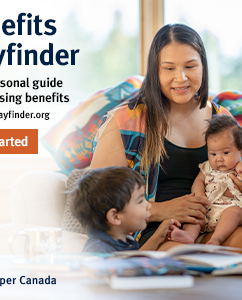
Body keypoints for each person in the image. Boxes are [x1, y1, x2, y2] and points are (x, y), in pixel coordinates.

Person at [90, 23, 242, 250]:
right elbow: (95, 203)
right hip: (157, 232)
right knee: (186, 255)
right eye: (169, 68)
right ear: (155, 71)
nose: (180, 78)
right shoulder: (126, 121)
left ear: (203, 66)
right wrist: (160, 210)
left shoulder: (223, 120)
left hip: (217, 223)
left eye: (190, 66)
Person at [70, 166, 181, 253]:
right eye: (140, 201)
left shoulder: (124, 240)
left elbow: (134, 260)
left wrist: (159, 236)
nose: (148, 206)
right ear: (115, 216)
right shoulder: (97, 250)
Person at [170, 115, 242, 245]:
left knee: (234, 212)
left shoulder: (239, 167)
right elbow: (199, 181)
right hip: (207, 209)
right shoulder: (207, 167)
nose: (219, 159)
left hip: (230, 209)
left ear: (240, 151)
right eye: (213, 154)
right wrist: (199, 195)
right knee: (194, 216)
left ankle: (215, 239)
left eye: (226, 153)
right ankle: (188, 236)